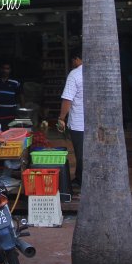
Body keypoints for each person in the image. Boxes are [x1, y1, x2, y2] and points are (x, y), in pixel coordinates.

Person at [58, 51, 84, 189]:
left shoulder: (75, 74)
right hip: (95, 123)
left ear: (76, 59)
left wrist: (61, 118)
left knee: (80, 153)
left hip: (79, 123)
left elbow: (67, 99)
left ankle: (81, 180)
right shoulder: (97, 71)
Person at [0, 62, 23, 129]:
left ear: (10, 70)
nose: (5, 70)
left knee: (9, 134)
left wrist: (22, 109)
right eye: (3, 68)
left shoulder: (15, 82)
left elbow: (20, 95)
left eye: (7, 69)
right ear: (0, 69)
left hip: (11, 114)